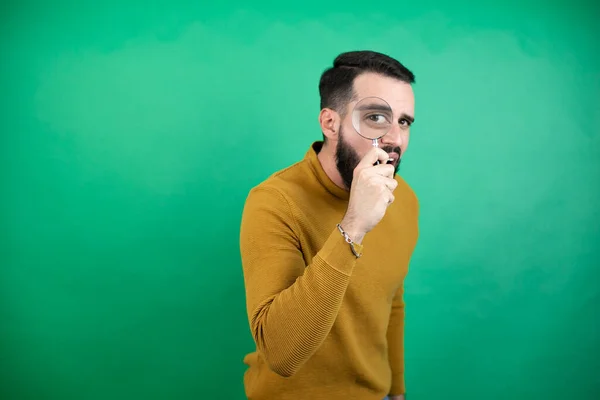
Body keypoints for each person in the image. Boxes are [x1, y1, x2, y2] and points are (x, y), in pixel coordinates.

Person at [239, 50, 419, 400]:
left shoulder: (403, 199)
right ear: (330, 123)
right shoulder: (274, 202)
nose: (395, 138)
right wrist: (353, 226)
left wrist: (396, 391)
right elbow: (281, 354)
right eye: (376, 117)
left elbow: (390, 302)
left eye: (404, 122)